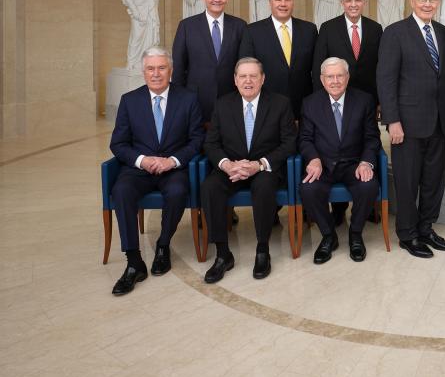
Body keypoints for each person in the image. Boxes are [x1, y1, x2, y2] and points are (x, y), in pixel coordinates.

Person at [108, 47, 204, 295]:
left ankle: (163, 245)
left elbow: (196, 140)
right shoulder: (129, 100)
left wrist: (172, 161)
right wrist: (141, 160)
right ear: (143, 72)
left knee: (177, 191)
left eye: (162, 68)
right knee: (121, 191)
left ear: (170, 71)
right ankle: (133, 261)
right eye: (151, 69)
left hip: (173, 168)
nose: (156, 73)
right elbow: (118, 144)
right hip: (139, 169)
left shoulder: (188, 98)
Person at [200, 58, 296, 283]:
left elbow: (289, 143)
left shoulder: (280, 103)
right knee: (210, 187)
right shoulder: (223, 104)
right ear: (235, 80)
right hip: (232, 168)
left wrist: (259, 164)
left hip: (264, 168)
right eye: (243, 76)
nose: (248, 81)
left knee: (263, 186)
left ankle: (263, 250)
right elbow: (211, 144)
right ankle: (223, 254)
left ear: (263, 79)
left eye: (253, 76)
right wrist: (227, 165)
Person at [376, 0, 445, 258]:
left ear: (438, 2)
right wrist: (392, 120)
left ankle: (426, 227)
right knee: (408, 182)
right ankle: (408, 234)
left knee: (434, 180)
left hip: (438, 123)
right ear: (412, 0)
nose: (427, 4)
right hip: (406, 125)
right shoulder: (395, 33)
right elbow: (386, 80)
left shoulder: (444, 33)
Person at [299, 58, 381, 264]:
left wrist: (366, 163)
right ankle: (329, 236)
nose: (335, 81)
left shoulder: (364, 100)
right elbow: (305, 139)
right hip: (324, 165)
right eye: (330, 76)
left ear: (347, 77)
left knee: (369, 186)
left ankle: (355, 233)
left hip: (353, 163)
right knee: (308, 189)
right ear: (322, 79)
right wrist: (314, 159)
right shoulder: (310, 103)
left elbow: (372, 138)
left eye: (339, 75)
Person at [171, 0, 246, 123]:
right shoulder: (187, 26)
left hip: (231, 99)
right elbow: (179, 66)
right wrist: (179, 99)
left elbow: (244, 63)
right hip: (196, 99)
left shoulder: (240, 26)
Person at [239, 0, 317, 118]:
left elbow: (316, 69)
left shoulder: (309, 30)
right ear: (270, 3)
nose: (283, 4)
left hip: (303, 107)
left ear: (293, 2)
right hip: (266, 106)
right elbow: (247, 70)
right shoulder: (252, 31)